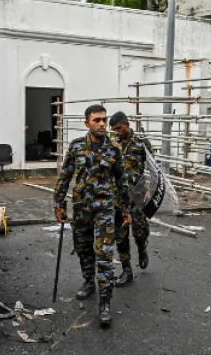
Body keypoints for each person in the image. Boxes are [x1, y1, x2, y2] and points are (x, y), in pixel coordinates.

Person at [54, 104, 132, 328]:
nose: (101, 124)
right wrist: (59, 204)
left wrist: (125, 209)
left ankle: (105, 303)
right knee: (83, 248)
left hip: (105, 210)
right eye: (96, 120)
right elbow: (65, 176)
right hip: (81, 209)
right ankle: (89, 281)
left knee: (105, 255)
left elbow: (122, 182)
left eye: (104, 120)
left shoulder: (114, 148)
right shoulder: (77, 146)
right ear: (86, 122)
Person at [108, 111, 152, 286]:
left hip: (138, 196)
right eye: (114, 130)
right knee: (121, 235)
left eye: (119, 128)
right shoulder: (113, 145)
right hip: (118, 198)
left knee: (140, 231)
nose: (117, 132)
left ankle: (142, 249)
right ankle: (127, 271)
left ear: (127, 124)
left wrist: (149, 190)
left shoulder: (142, 144)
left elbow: (151, 168)